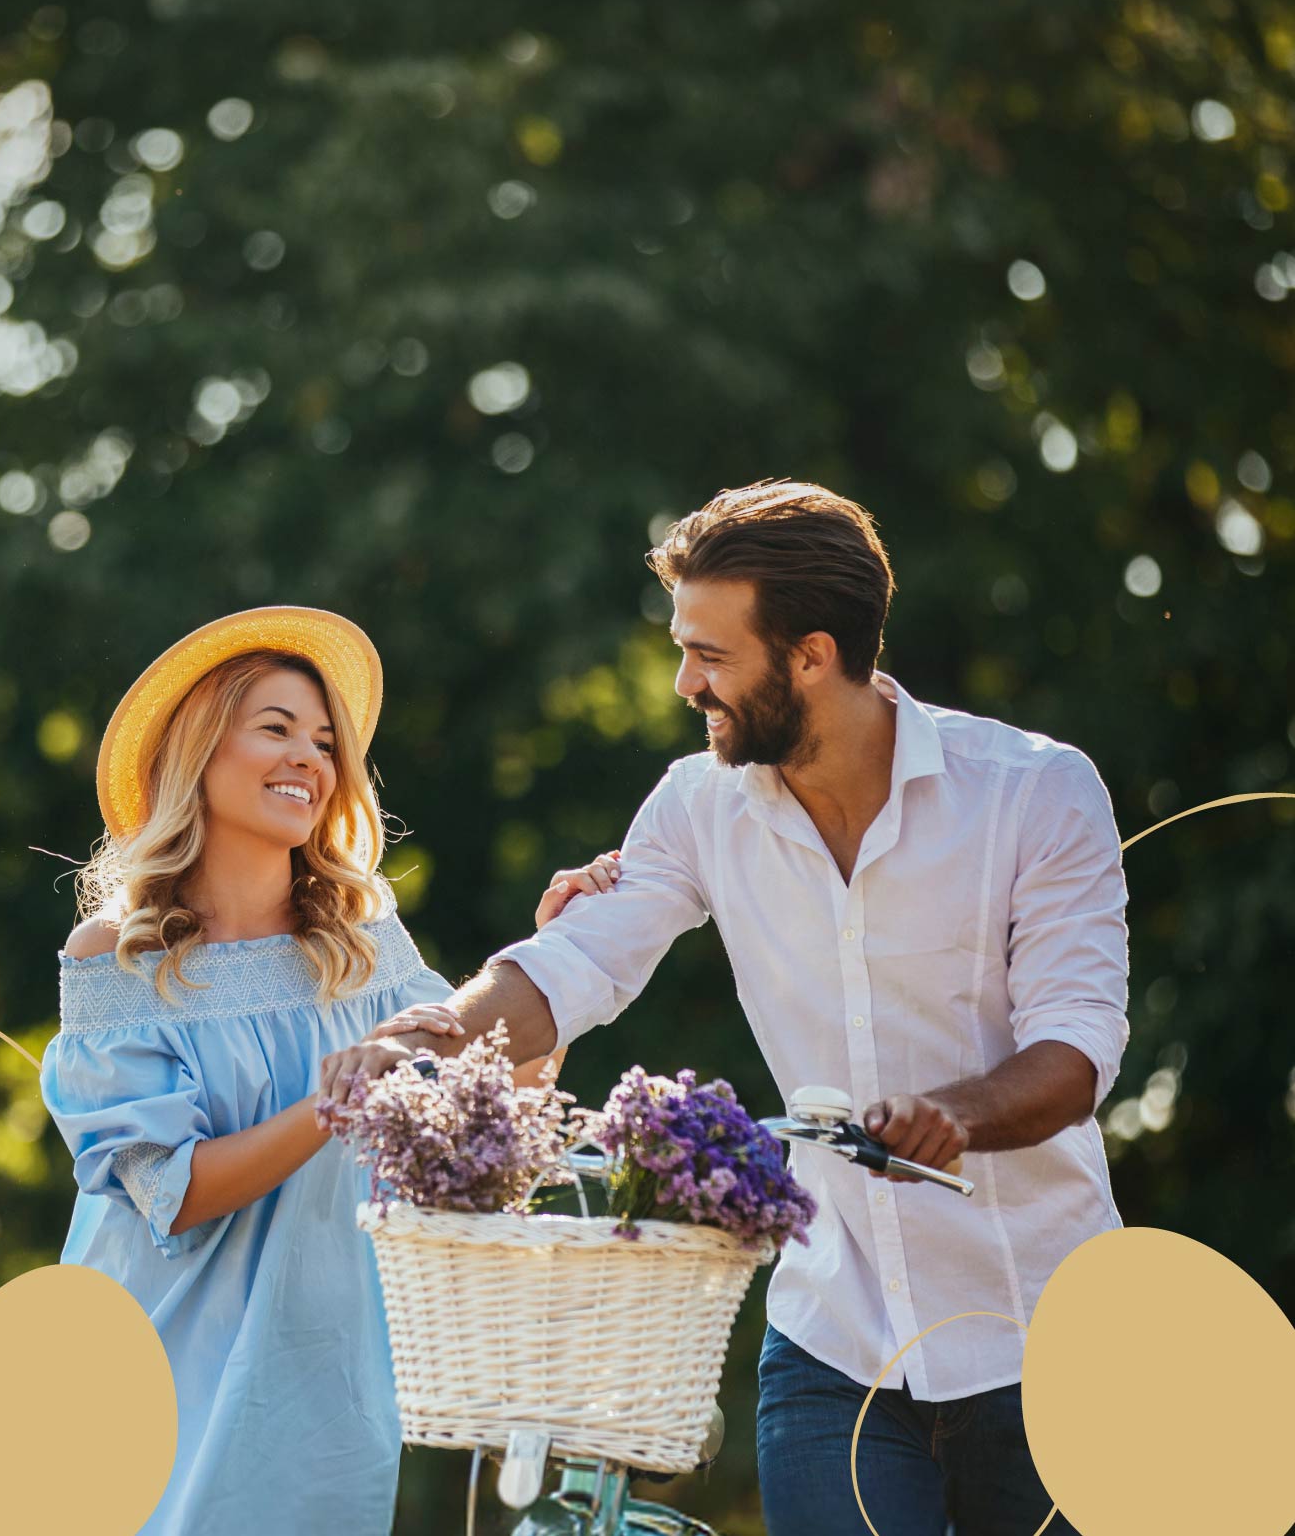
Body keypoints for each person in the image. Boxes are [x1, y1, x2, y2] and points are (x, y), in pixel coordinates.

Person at [322, 482, 1127, 1536]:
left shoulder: (1034, 793)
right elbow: (573, 965)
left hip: (1042, 1336)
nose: (680, 682)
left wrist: (955, 1117)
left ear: (811, 655)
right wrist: (429, 1037)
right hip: (836, 1339)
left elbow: (1075, 1050)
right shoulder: (696, 806)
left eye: (711, 655)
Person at [39, 606, 592, 1536]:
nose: (310, 757)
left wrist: (552, 964)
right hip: (151, 1372)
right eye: (276, 729)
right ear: (201, 753)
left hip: (322, 1381)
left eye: (326, 740)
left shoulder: (364, 949)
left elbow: (484, 1129)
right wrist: (338, 1099)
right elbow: (173, 1190)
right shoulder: (116, 955)